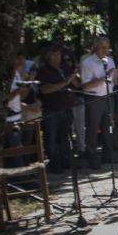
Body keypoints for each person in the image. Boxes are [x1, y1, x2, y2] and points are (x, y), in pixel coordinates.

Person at [80, 36, 118, 168]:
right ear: (96, 47)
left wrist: (117, 77)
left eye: (107, 47)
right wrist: (104, 77)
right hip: (94, 99)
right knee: (92, 129)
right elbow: (85, 86)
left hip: (109, 97)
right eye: (103, 47)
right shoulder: (88, 62)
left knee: (109, 126)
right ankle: (92, 157)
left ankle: (108, 154)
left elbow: (114, 81)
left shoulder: (110, 61)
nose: (105, 50)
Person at [38, 45, 78, 173]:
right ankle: (55, 165)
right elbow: (45, 89)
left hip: (66, 108)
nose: (57, 57)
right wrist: (66, 82)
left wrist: (75, 74)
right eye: (53, 55)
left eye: (58, 54)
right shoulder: (43, 71)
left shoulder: (64, 68)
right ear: (47, 56)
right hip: (52, 110)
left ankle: (65, 161)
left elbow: (77, 85)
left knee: (65, 138)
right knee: (52, 139)